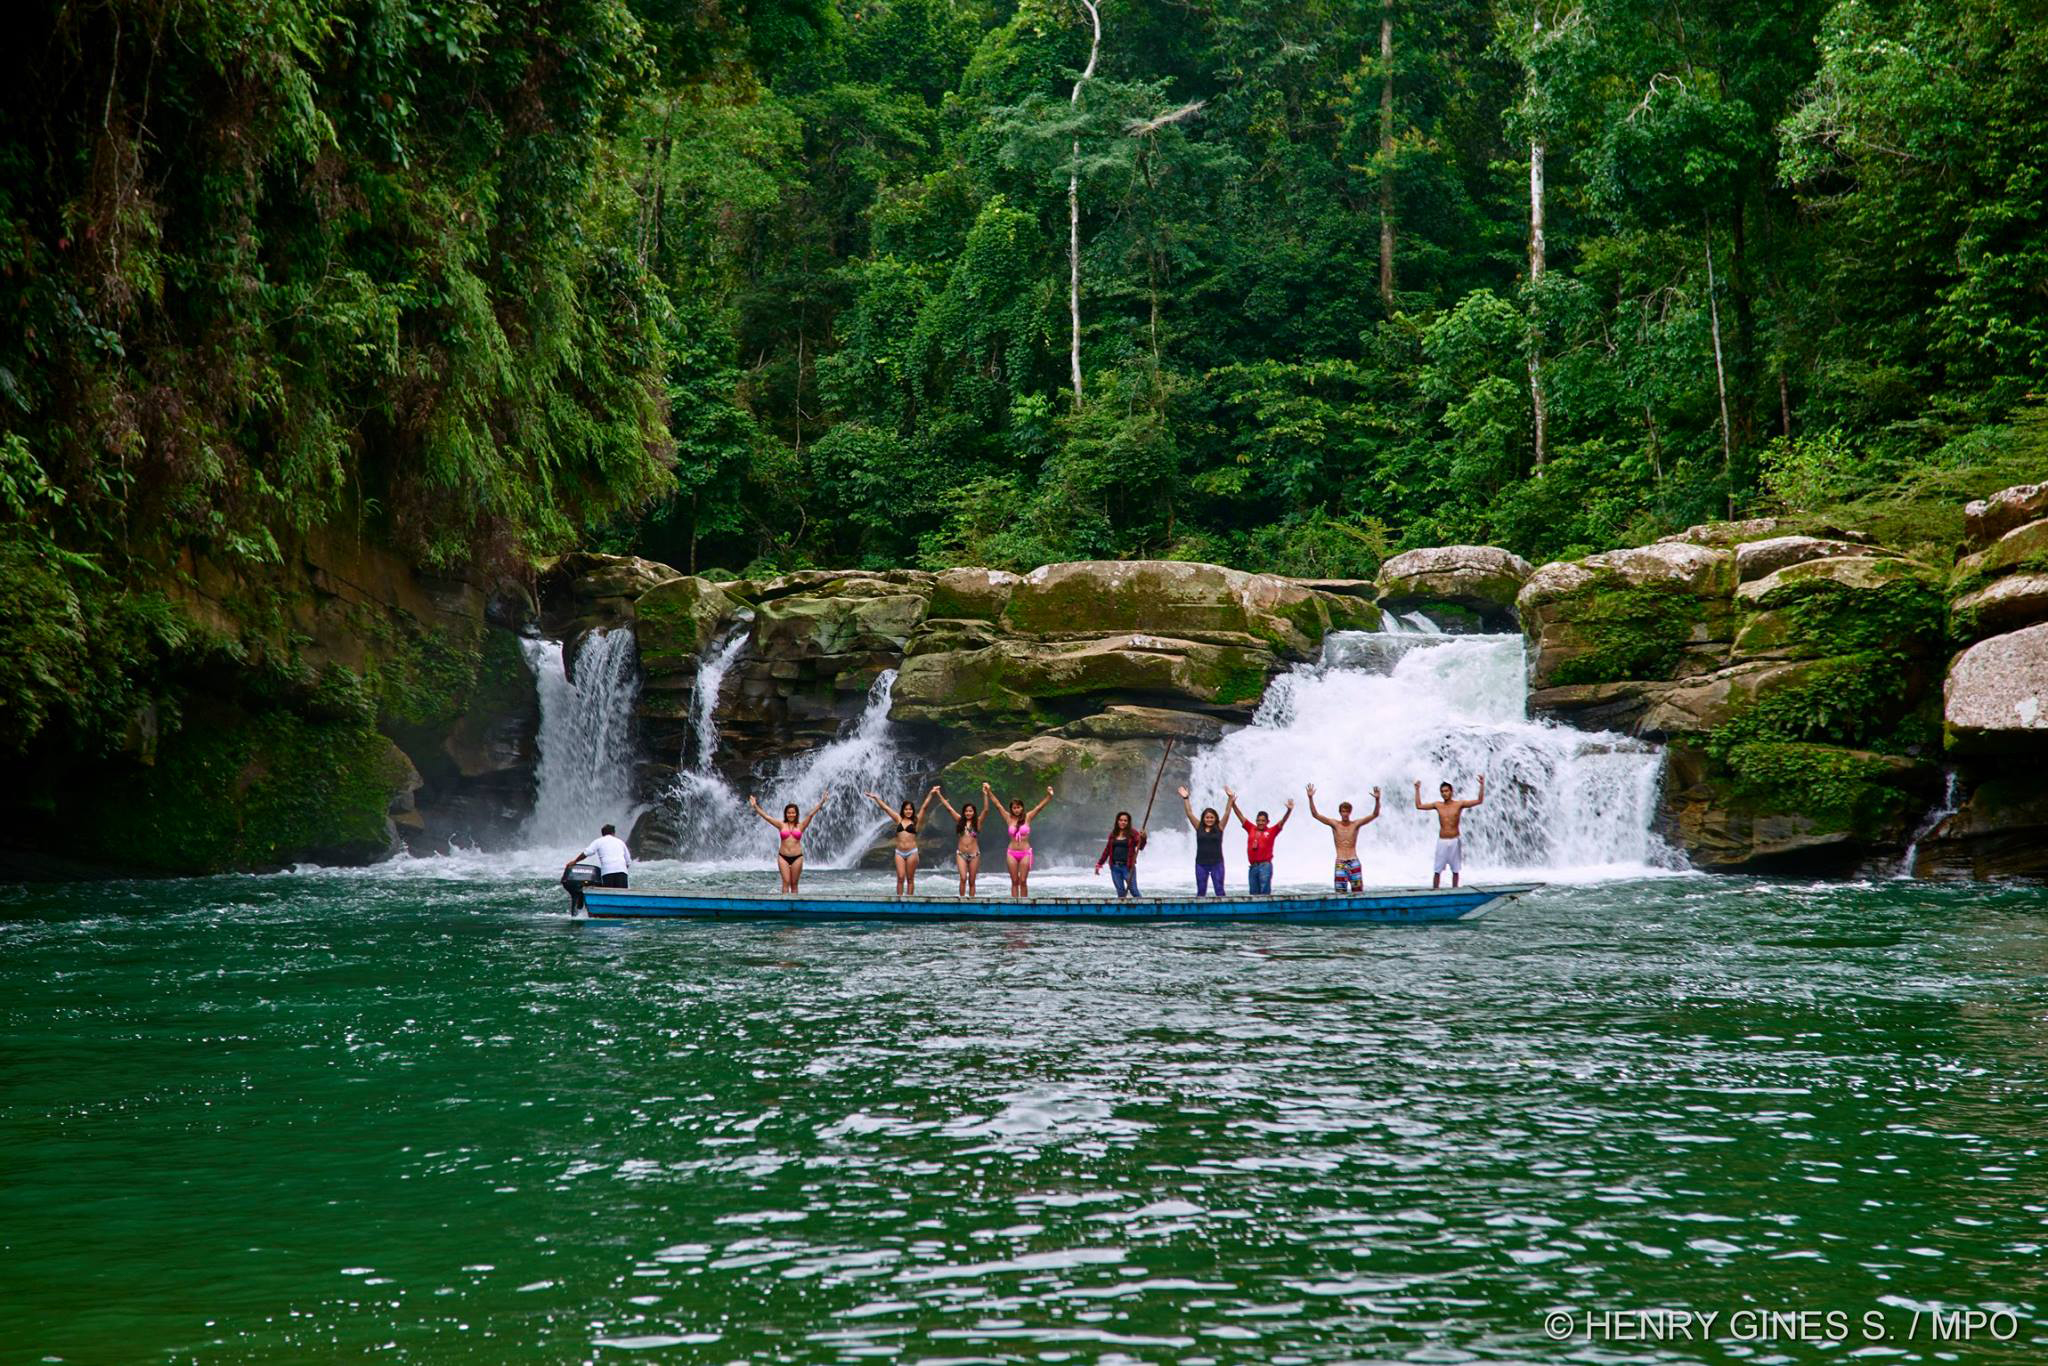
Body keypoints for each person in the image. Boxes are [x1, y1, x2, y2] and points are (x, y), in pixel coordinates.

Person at [747, 791, 831, 893]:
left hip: (797, 857)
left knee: (794, 884)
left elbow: (811, 814)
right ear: (786, 814)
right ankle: (784, 906)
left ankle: (794, 906)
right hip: (783, 857)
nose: (791, 814)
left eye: (793, 813)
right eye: (789, 813)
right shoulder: (781, 825)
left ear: (796, 814)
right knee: (786, 882)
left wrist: (822, 801)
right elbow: (766, 817)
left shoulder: (801, 825)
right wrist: (755, 806)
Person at [864, 786, 940, 896]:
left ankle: (910, 899)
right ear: (903, 810)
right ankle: (899, 899)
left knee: (910, 878)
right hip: (899, 852)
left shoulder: (916, 821)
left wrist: (931, 793)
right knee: (900, 877)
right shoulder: (898, 819)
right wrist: (876, 798)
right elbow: (886, 808)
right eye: (906, 809)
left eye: (910, 809)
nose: (908, 811)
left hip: (912, 852)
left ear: (912, 811)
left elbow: (924, 807)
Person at [985, 782, 1055, 897]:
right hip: (1011, 852)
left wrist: (1049, 796)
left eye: (1018, 807)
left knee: (1023, 881)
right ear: (1011, 809)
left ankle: (1024, 904)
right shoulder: (1008, 818)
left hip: (1025, 853)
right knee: (1014, 881)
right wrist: (989, 791)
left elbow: (1039, 808)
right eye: (1014, 808)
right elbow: (998, 805)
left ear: (1022, 807)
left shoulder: (1028, 817)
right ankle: (1014, 904)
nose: (1016, 810)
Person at [1307, 783, 1380, 892]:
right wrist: (1310, 798)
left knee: (1358, 891)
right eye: (1343, 811)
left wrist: (1377, 800)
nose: (1345, 814)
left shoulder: (1355, 824)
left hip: (1354, 861)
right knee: (1340, 892)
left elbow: (1375, 814)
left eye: (1347, 811)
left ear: (1350, 812)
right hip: (1340, 862)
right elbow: (1315, 814)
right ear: (1340, 812)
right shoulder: (1335, 824)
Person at [1415, 776, 1486, 888]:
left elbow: (1479, 801)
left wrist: (1482, 785)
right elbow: (1419, 806)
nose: (1444, 793)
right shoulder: (1438, 805)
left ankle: (1455, 891)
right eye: (1442, 792)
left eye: (1446, 791)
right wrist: (1417, 789)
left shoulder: (1459, 804)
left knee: (1455, 870)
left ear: (1451, 792)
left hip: (1454, 840)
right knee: (1437, 870)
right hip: (1442, 840)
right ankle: (1435, 891)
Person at [1224, 788, 1293, 895]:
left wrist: (1289, 810)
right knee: (1253, 893)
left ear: (1267, 821)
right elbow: (1240, 816)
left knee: (1264, 892)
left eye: (1263, 821)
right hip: (1253, 866)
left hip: (1265, 866)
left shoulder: (1272, 831)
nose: (1260, 822)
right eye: (1258, 820)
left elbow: (1282, 821)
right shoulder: (1251, 828)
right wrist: (1232, 803)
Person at [1177, 786, 1229, 896]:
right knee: (1201, 890)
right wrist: (1186, 798)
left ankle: (1223, 911)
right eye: (1207, 817)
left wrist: (1230, 798)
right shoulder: (1198, 826)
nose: (1209, 819)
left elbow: (1227, 812)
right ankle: (1199, 911)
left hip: (1217, 863)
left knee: (1219, 890)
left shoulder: (1220, 828)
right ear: (1203, 818)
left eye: (1211, 817)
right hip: (1201, 863)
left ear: (1215, 818)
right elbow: (1189, 813)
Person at [930, 788, 983, 896]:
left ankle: (972, 902)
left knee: (972, 881)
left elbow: (986, 809)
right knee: (963, 878)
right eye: (966, 811)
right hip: (961, 854)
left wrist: (986, 794)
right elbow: (949, 808)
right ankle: (962, 900)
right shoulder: (959, 820)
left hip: (974, 854)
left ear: (974, 812)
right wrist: (939, 794)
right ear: (964, 812)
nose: (968, 813)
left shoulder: (977, 822)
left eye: (970, 811)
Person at [1093, 810, 1148, 898]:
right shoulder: (1113, 834)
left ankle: (1144, 909)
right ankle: (1124, 911)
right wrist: (1099, 864)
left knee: (1133, 890)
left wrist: (1144, 838)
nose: (1123, 822)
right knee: (1120, 892)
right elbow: (1107, 850)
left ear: (1128, 822)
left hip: (1128, 867)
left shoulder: (1133, 833)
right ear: (1117, 821)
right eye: (1121, 820)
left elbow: (1140, 847)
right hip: (1115, 867)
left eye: (1125, 820)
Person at [564, 823, 631, 888]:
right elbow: (628, 861)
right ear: (613, 833)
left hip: (608, 871)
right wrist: (620, 869)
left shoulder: (598, 841)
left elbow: (587, 853)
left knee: (609, 894)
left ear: (602, 834)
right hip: (622, 871)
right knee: (622, 893)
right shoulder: (620, 842)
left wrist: (575, 861)